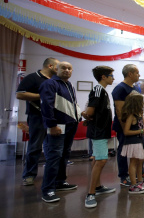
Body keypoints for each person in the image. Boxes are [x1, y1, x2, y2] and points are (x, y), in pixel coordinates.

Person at [39, 61, 81, 203]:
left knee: (64, 155)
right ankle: (48, 190)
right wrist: (52, 125)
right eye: (63, 68)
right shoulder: (50, 84)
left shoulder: (69, 85)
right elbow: (46, 105)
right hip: (58, 126)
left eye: (69, 68)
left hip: (70, 125)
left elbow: (72, 105)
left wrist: (79, 116)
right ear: (56, 69)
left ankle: (60, 182)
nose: (67, 70)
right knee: (54, 156)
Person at [16, 57, 59, 186]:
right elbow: (20, 94)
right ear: (50, 66)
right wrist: (42, 96)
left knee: (52, 147)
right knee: (35, 146)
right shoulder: (33, 78)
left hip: (53, 117)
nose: (60, 69)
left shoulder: (54, 81)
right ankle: (29, 175)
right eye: (58, 67)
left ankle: (52, 174)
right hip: (37, 116)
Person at [112, 64, 144, 187]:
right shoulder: (120, 89)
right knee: (123, 152)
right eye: (137, 73)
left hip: (137, 126)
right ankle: (124, 177)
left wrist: (142, 123)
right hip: (125, 126)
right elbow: (120, 111)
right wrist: (127, 127)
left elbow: (139, 109)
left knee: (140, 151)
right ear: (130, 74)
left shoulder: (136, 88)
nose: (139, 75)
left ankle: (140, 174)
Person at [83, 66, 116, 208]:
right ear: (104, 76)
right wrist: (85, 115)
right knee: (101, 160)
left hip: (101, 130)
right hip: (98, 131)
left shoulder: (103, 91)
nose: (113, 78)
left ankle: (97, 187)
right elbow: (90, 110)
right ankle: (90, 194)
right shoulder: (97, 90)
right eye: (111, 76)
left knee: (97, 158)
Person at [121, 93, 144, 194]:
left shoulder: (138, 114)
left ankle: (140, 181)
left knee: (140, 162)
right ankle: (133, 185)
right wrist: (142, 131)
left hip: (138, 141)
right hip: (132, 142)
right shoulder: (131, 116)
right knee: (133, 163)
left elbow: (139, 125)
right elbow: (126, 132)